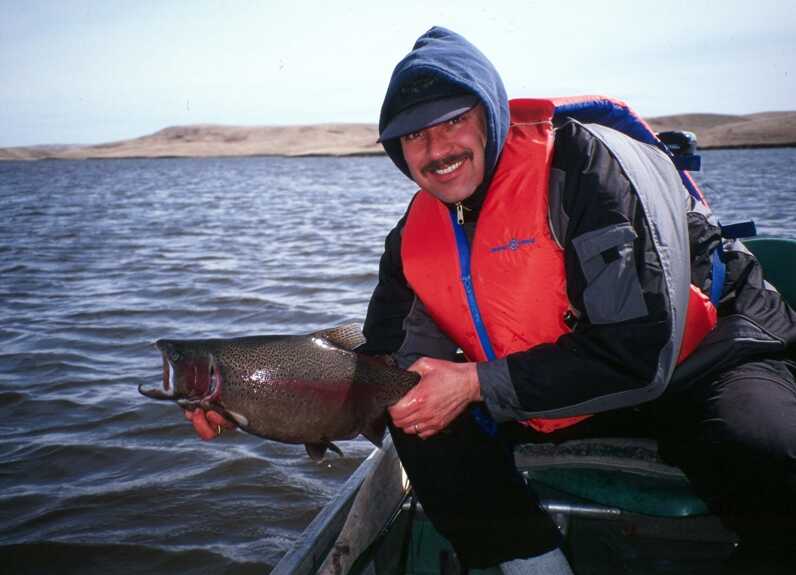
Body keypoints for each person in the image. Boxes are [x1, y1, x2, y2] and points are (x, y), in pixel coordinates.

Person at [187, 27, 796, 573]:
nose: (437, 149)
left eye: (453, 121)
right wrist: (251, 401)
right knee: (421, 424)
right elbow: (383, 370)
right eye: (414, 136)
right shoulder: (414, 235)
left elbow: (637, 351)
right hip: (558, 387)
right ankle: (534, 563)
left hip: (704, 364)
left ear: (491, 115)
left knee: (767, 450)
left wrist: (477, 383)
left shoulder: (587, 173)